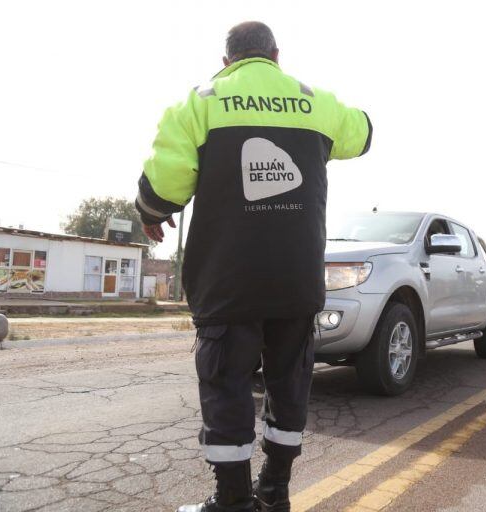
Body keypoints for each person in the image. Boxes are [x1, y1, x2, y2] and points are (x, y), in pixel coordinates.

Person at [135, 21, 372, 512]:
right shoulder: (315, 100)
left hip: (228, 281)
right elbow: (364, 133)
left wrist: (151, 215)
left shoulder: (199, 102)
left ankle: (233, 501)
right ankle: (275, 491)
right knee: (289, 387)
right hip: (295, 281)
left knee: (227, 385)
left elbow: (164, 188)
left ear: (227, 62)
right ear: (276, 56)